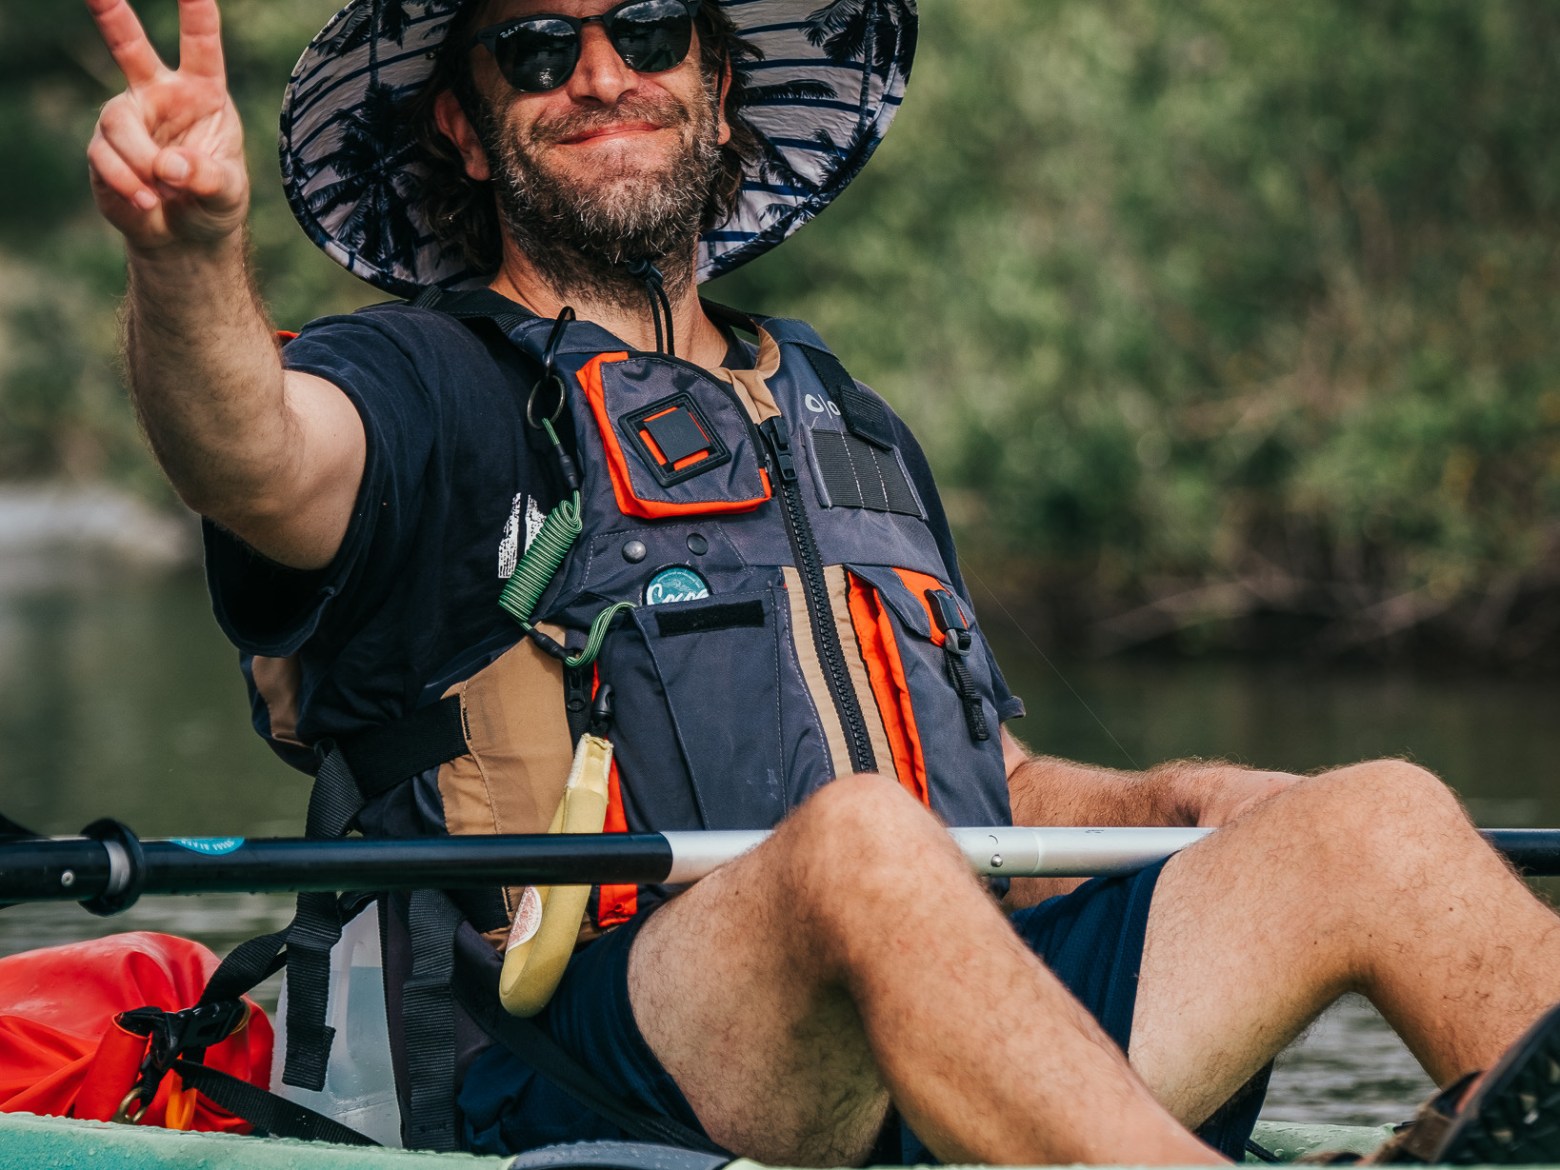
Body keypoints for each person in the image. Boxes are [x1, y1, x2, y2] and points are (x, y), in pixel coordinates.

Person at [83, 0, 1560, 1163]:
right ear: (470, 130)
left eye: (649, 30)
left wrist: (1177, 800)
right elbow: (254, 454)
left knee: (1380, 818)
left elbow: (990, 778)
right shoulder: (419, 382)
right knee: (862, 842)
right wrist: (189, 260)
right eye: (538, 50)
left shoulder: (844, 415)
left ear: (716, 88)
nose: (602, 72)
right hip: (585, 1065)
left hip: (943, 1013)